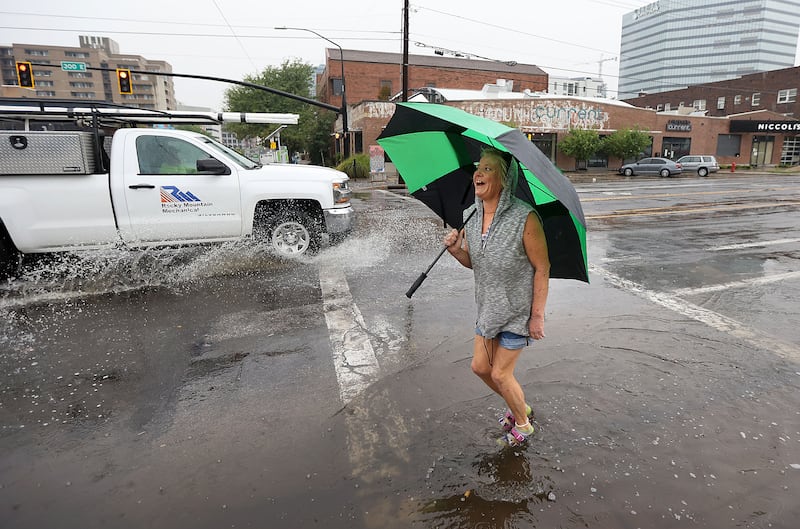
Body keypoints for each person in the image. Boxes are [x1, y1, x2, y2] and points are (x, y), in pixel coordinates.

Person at [443, 147, 550, 447]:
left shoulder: (524, 218)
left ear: (504, 178)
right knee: (480, 367)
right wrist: (456, 251)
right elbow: (476, 261)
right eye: (478, 168)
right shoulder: (471, 215)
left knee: (501, 374)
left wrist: (537, 315)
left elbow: (543, 268)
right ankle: (520, 407)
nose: (478, 173)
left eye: (488, 169)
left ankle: (524, 425)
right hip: (487, 309)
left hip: (517, 311)